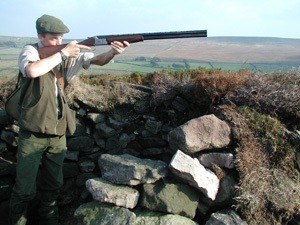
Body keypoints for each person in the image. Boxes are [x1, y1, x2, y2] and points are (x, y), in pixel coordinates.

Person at [9, 14, 129, 225]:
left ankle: (50, 220)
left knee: (54, 184)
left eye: (61, 37)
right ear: (41, 36)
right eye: (54, 38)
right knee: (24, 188)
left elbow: (97, 60)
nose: (59, 41)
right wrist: (63, 53)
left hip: (57, 132)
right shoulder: (30, 51)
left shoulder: (67, 53)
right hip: (33, 131)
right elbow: (32, 70)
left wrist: (112, 51)